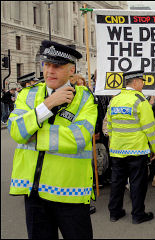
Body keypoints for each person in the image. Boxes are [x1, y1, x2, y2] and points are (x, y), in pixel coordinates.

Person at [8, 40, 97, 239]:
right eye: (46, 64)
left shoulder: (85, 99)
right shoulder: (27, 95)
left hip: (71, 193)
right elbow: (15, 131)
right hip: (34, 193)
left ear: (71, 70)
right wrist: (48, 105)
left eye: (56, 66)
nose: (49, 70)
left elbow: (78, 139)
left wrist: (32, 133)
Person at [107, 70, 155, 224]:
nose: (143, 84)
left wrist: (113, 141)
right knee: (137, 183)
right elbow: (150, 127)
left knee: (117, 182)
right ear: (135, 82)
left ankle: (115, 213)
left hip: (117, 149)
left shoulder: (115, 100)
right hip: (137, 149)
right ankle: (138, 214)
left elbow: (109, 125)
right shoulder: (140, 100)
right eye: (142, 81)